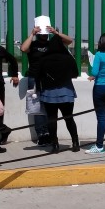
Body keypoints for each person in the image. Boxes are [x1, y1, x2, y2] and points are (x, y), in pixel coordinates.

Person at [30, 25, 79, 153]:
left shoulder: (44, 59)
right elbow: (75, 73)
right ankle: (75, 142)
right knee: (69, 118)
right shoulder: (68, 58)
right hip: (66, 92)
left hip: (49, 93)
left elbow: (38, 75)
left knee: (52, 119)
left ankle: (55, 145)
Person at [20, 22, 55, 145]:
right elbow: (23, 49)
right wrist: (32, 34)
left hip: (50, 78)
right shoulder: (33, 44)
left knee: (50, 106)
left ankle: (51, 133)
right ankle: (41, 134)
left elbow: (68, 41)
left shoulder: (52, 44)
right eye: (42, 33)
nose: (44, 35)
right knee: (37, 107)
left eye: (46, 33)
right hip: (34, 78)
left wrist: (55, 32)